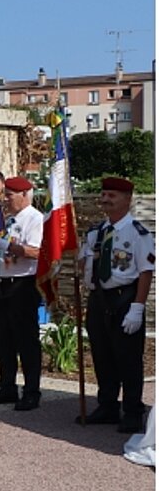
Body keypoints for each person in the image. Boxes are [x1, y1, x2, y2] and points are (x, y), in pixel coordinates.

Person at [78, 176, 154, 433]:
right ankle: (108, 405)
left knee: (128, 358)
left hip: (125, 298)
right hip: (99, 298)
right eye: (104, 194)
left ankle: (132, 410)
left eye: (112, 195)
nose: (105, 199)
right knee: (102, 355)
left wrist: (137, 307)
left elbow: (145, 271)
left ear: (127, 199)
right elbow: (84, 265)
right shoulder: (96, 232)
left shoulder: (137, 233)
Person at [0, 176, 45, 411]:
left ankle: (31, 391)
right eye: (5, 194)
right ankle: (7, 386)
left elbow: (35, 251)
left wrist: (3, 245)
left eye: (10, 195)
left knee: (26, 340)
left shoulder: (35, 219)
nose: (6, 199)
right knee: (5, 339)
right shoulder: (9, 220)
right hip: (5, 283)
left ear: (24, 195)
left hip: (24, 284)